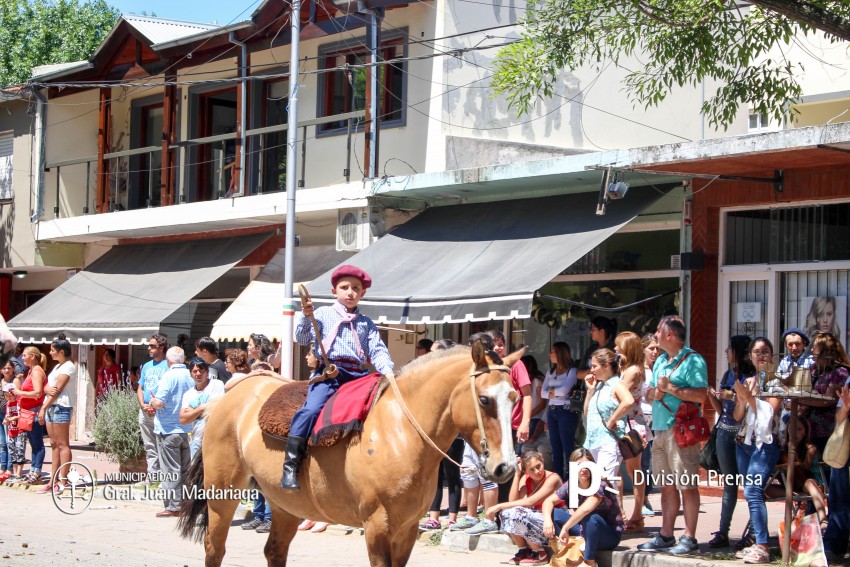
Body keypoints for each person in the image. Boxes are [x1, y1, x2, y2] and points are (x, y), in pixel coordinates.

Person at [284, 265, 394, 490]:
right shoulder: (322, 313)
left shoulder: (366, 323)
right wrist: (306, 317)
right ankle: (290, 466)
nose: (350, 292)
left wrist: (389, 372)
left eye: (356, 288)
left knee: (381, 408)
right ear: (334, 291)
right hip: (329, 372)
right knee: (311, 410)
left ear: (362, 293)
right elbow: (303, 339)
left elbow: (378, 350)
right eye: (345, 287)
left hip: (358, 374)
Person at [638, 315, 707, 555]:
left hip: (681, 431)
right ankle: (666, 535)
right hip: (659, 429)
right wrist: (653, 394)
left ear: (669, 334)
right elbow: (648, 393)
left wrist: (671, 389)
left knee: (687, 484)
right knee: (666, 486)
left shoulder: (693, 360)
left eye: (658, 331)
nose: (655, 335)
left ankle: (689, 537)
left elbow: (700, 396)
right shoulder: (659, 361)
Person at [730, 348, 781, 565]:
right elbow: (737, 416)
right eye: (756, 352)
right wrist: (742, 400)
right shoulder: (748, 380)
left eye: (765, 352)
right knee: (752, 492)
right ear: (750, 356)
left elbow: (768, 414)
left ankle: (762, 545)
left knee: (753, 489)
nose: (761, 356)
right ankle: (757, 541)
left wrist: (748, 398)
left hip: (765, 444)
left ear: (771, 357)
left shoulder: (777, 383)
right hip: (744, 442)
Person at [705, 334, 754, 548]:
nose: (726, 352)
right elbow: (720, 410)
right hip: (724, 431)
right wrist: (713, 397)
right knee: (730, 483)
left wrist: (732, 396)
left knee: (752, 484)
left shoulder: (751, 376)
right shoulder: (727, 374)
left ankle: (754, 533)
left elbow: (749, 406)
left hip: (745, 434)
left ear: (739, 352)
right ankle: (723, 531)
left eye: (730, 348)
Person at [542, 448, 624, 567]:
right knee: (554, 513)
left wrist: (565, 528)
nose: (583, 469)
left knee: (591, 517)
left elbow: (586, 509)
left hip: (608, 535)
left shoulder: (601, 484)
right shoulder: (572, 483)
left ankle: (589, 561)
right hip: (584, 530)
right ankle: (565, 550)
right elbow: (548, 501)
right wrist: (547, 521)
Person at [485, 451, 563, 565]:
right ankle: (524, 550)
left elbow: (530, 502)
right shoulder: (525, 479)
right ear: (525, 471)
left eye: (538, 466)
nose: (537, 471)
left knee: (518, 513)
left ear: (542, 462)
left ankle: (540, 553)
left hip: (552, 521)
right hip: (537, 522)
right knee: (507, 512)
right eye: (531, 469)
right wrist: (517, 475)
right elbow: (514, 502)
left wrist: (498, 505)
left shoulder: (553, 478)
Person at [420, 339, 464, 532]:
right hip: (433, 434)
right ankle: (434, 517)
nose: (430, 355)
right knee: (435, 475)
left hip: (454, 434)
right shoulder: (431, 377)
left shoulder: (455, 379)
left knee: (452, 474)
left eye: (434, 352)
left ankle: (453, 518)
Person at [150, 346, 194, 518]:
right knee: (184, 469)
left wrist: (153, 401)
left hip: (168, 429)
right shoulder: (190, 376)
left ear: (169, 360)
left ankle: (174, 506)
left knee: (171, 469)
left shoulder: (169, 376)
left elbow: (160, 402)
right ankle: (183, 503)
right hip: (186, 428)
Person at [582, 349, 633, 488]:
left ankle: (610, 510)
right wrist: (590, 390)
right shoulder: (599, 386)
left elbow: (628, 401)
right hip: (594, 441)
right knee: (599, 485)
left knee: (605, 484)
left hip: (608, 442)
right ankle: (610, 509)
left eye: (594, 366)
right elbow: (587, 413)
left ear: (606, 366)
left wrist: (612, 420)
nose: (591, 370)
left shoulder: (616, 384)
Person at [614, 331, 648, 532]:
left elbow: (617, 394)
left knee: (633, 470)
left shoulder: (633, 371)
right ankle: (621, 513)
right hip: (624, 423)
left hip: (631, 424)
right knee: (619, 470)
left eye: (618, 346)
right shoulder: (625, 368)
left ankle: (636, 515)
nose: (615, 349)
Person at [37, 334, 77, 494]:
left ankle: (63, 480)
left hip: (61, 406)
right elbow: (48, 387)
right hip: (51, 406)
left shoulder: (68, 366)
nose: (50, 352)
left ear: (61, 351)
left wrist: (43, 407)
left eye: (53, 350)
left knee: (62, 444)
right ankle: (53, 479)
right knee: (53, 445)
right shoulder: (57, 367)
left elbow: (57, 389)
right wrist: (46, 389)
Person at [806, 332, 850, 454]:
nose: (812, 350)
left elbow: (830, 400)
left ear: (825, 351)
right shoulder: (814, 370)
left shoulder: (840, 372)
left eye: (815, 347)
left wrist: (802, 399)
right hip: (810, 428)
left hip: (828, 429)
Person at [541, 342, 579, 481]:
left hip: (566, 410)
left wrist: (552, 392)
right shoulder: (550, 372)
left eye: (553, 351)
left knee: (568, 448)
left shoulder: (572, 371)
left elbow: (565, 390)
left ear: (561, 353)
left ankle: (571, 481)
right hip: (552, 410)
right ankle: (558, 480)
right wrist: (556, 393)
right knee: (556, 449)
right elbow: (543, 393)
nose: (550, 354)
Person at [14, 346, 48, 485]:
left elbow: (38, 393)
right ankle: (33, 470)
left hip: (34, 411)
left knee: (37, 443)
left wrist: (19, 392)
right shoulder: (30, 371)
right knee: (33, 443)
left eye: (25, 356)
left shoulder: (37, 372)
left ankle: (37, 472)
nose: (22, 358)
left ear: (33, 356)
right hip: (28, 411)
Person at [450, 440, 500, 535]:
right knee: (467, 473)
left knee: (487, 475)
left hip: (484, 437)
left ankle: (489, 521)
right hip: (469, 439)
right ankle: (471, 517)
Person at [137, 333, 169, 480]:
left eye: (152, 346)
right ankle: (152, 477)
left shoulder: (168, 365)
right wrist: (142, 404)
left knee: (162, 445)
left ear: (161, 347)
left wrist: (157, 405)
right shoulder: (147, 366)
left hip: (161, 411)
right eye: (148, 345)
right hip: (145, 411)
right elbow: (140, 387)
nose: (149, 348)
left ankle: (164, 477)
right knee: (149, 446)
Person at [180, 357, 225, 458]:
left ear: (207, 372)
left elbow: (215, 410)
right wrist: (202, 409)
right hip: (195, 440)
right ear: (190, 374)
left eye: (201, 371)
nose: (198, 374)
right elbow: (183, 419)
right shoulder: (188, 394)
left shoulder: (217, 385)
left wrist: (194, 411)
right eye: (195, 371)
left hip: (214, 439)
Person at [825, 382, 850, 562]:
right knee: (838, 500)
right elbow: (839, 419)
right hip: (845, 449)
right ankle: (834, 546)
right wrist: (846, 408)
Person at [638, 333, 660, 516]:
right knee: (644, 461)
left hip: (658, 417)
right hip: (643, 417)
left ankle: (646, 496)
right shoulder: (638, 371)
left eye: (657, 348)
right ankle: (643, 499)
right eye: (651, 348)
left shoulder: (659, 368)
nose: (655, 352)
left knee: (654, 462)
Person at [1, 359, 23, 482]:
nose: (6, 370)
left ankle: (12, 471)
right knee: (4, 444)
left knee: (17, 447)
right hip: (4, 415)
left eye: (8, 368)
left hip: (16, 424)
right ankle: (4, 468)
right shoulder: (1, 381)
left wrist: (12, 418)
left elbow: (18, 399)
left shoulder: (15, 381)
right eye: (4, 368)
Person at [577, 316, 616, 380]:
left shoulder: (613, 349)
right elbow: (578, 373)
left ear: (602, 331)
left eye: (593, 329)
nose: (590, 332)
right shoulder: (591, 349)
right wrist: (590, 372)